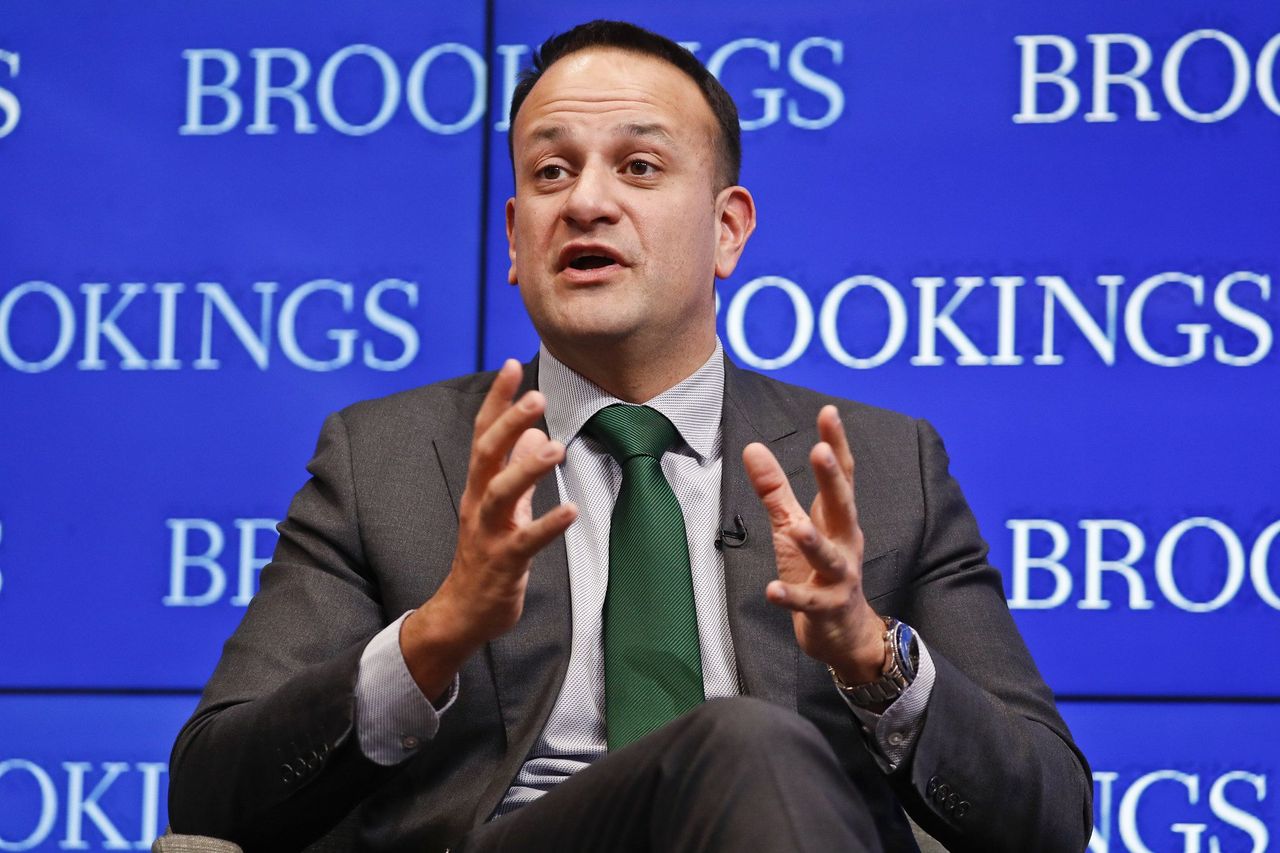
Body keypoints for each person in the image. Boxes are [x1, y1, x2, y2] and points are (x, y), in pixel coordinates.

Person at [168, 20, 1092, 853]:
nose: (586, 202)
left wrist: (869, 652)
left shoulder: (884, 467)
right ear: (514, 237)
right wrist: (436, 635)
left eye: (639, 167)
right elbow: (211, 789)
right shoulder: (388, 460)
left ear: (728, 230)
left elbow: (1050, 811)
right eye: (551, 172)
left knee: (748, 747)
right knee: (740, 737)